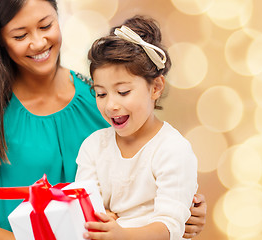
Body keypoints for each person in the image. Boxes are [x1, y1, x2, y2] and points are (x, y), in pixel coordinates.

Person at [0, 0, 206, 239]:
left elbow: (151, 166)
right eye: (19, 36)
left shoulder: (102, 99)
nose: (38, 42)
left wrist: (187, 207)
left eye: (46, 26)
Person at [75, 16, 198, 240]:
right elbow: (85, 210)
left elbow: (170, 227)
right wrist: (100, 218)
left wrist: (122, 234)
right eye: (101, 93)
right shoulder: (93, 147)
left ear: (156, 87)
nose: (111, 105)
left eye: (123, 92)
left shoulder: (173, 149)